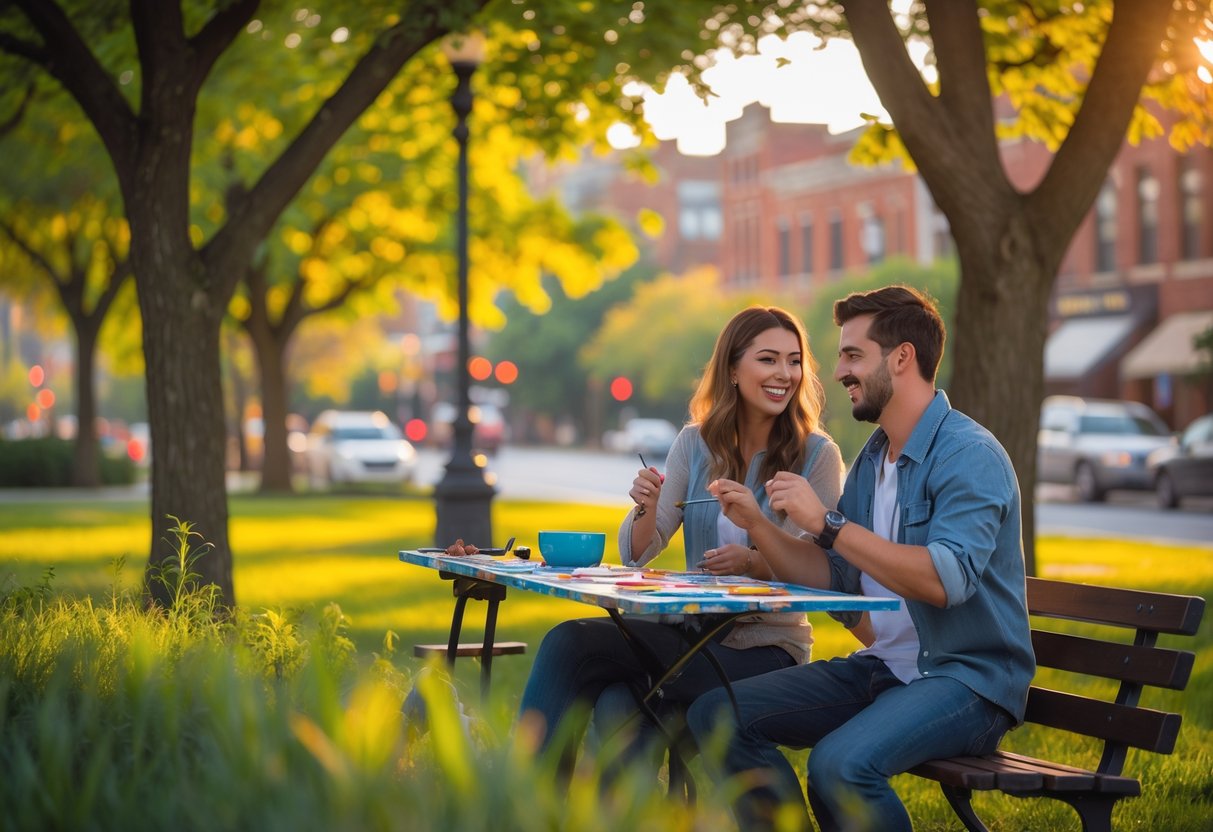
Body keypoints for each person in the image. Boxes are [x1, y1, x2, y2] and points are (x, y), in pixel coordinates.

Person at [687, 285, 1035, 831]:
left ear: (901, 358)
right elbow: (837, 577)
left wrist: (827, 524)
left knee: (840, 766)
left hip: (966, 681)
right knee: (716, 715)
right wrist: (761, 526)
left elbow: (946, 580)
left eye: (853, 355)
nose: (840, 370)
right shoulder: (874, 459)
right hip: (886, 669)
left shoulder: (969, 455)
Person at [515, 305, 845, 778]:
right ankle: (531, 803)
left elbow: (816, 565)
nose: (785, 374)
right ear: (733, 369)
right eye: (768, 359)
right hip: (686, 634)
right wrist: (647, 504)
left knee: (617, 696)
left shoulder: (817, 455)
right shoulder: (695, 443)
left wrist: (754, 557)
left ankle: (521, 805)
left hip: (766, 648)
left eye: (794, 361)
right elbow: (639, 552)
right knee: (572, 645)